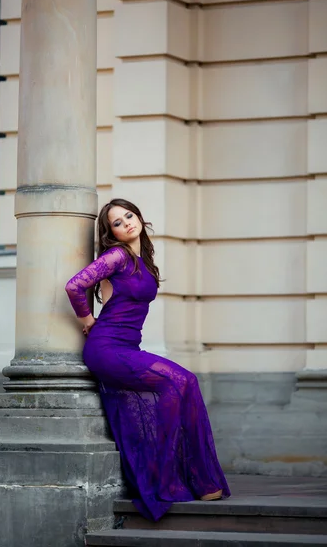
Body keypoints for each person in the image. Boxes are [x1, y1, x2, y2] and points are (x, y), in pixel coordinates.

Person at [65, 198, 230, 521]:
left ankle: (177, 477)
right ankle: (170, 478)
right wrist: (86, 320)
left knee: (175, 389)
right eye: (117, 222)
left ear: (139, 217)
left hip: (128, 347)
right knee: (184, 380)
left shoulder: (144, 259)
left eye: (129, 215)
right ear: (110, 232)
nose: (126, 222)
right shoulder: (117, 256)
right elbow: (75, 285)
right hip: (107, 348)